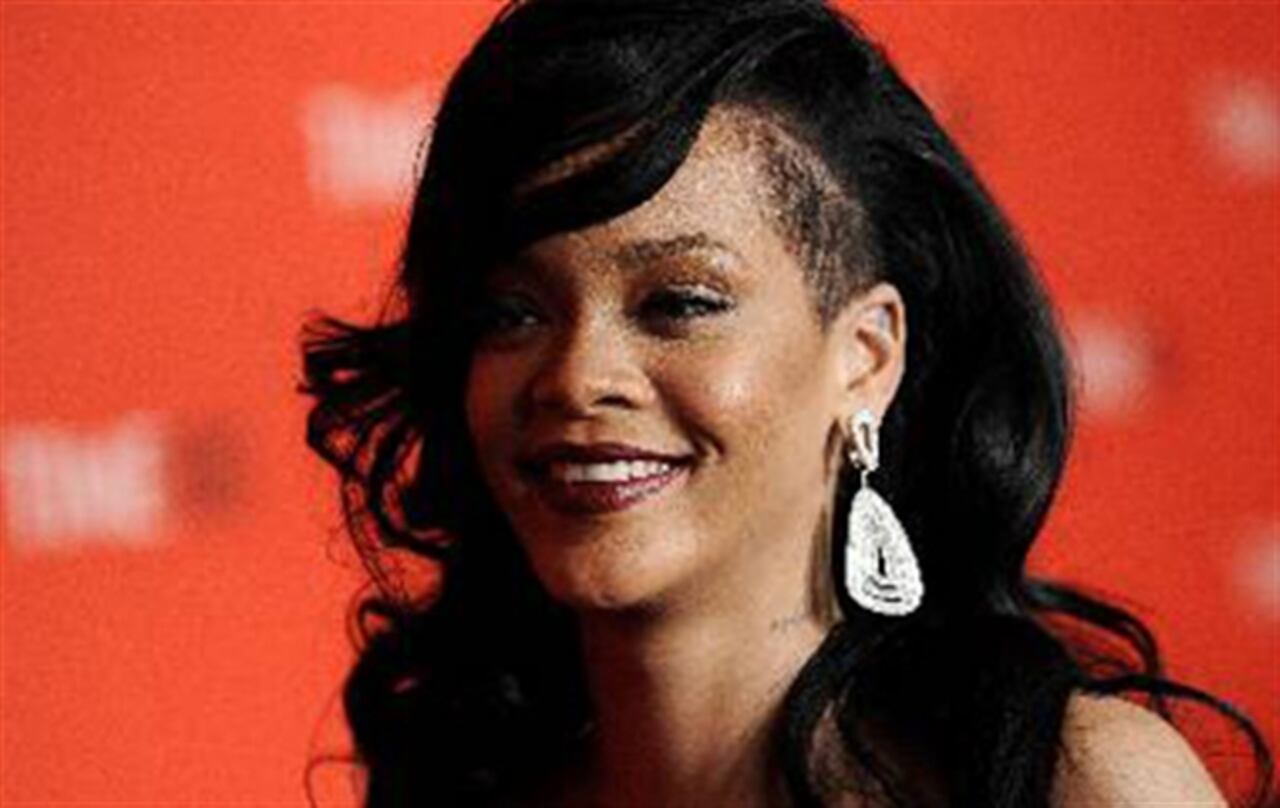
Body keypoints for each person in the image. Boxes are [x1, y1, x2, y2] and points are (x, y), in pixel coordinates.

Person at [301, 1, 1272, 806]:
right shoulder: (447, 783)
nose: (575, 375)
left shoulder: (1067, 784)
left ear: (864, 356)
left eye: (679, 303)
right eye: (511, 312)